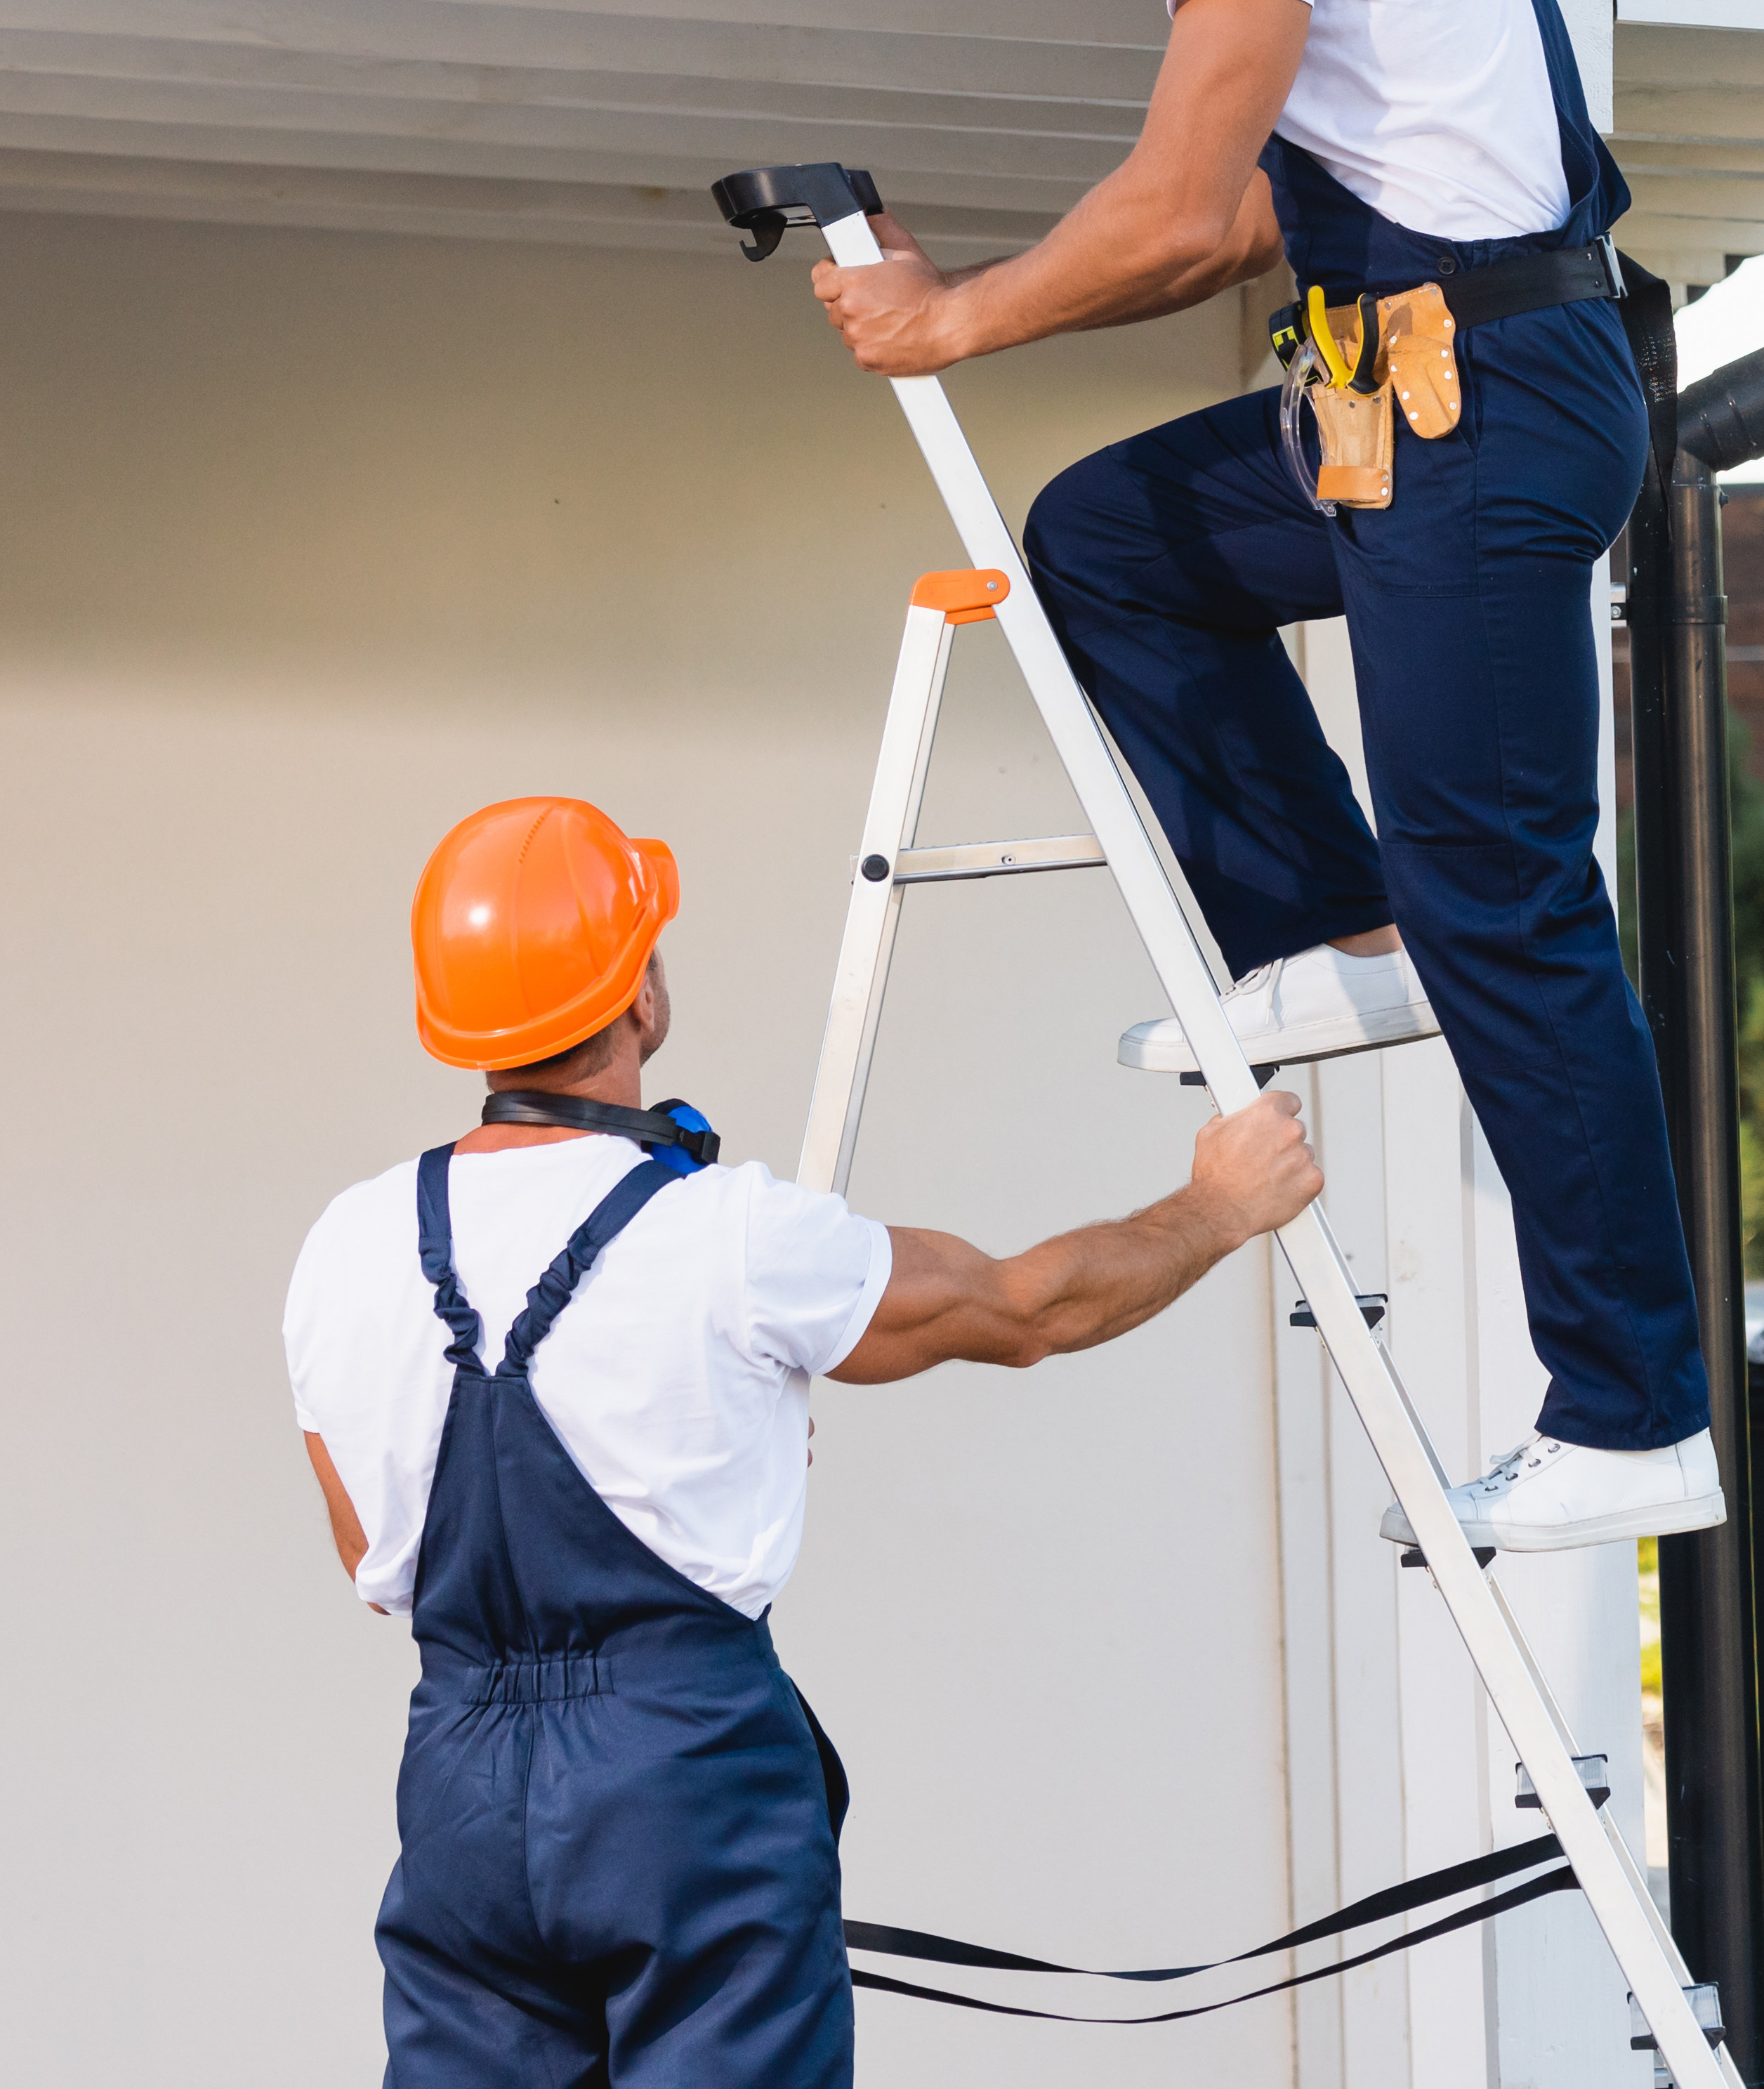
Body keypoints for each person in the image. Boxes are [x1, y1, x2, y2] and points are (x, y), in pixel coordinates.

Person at [800, 0, 1719, 1557]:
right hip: (1411, 401)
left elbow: (1168, 186)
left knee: (1513, 893)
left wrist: (955, 319)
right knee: (1117, 538)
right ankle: (1340, 930)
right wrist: (991, 299)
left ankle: (1634, 1407)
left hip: (1474, 409)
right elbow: (1226, 232)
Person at [287, 792, 1320, 2089]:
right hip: (685, 1779)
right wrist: (1218, 1205)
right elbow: (1027, 1311)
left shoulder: (346, 1249)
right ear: (640, 996)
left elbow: (378, 1564)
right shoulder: (735, 1236)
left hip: (461, 1800)